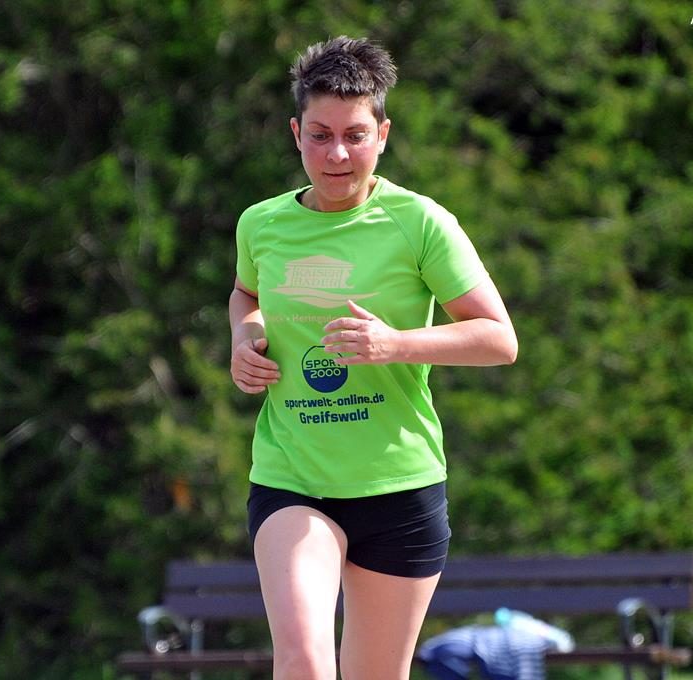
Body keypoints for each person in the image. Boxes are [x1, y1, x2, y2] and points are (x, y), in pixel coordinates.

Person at [228, 35, 517, 680]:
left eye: (355, 136)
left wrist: (394, 343)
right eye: (320, 135)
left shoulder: (421, 222)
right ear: (296, 133)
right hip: (293, 476)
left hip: (400, 487)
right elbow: (246, 293)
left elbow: (499, 339)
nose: (337, 154)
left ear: (382, 135)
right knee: (304, 661)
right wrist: (244, 338)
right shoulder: (261, 224)